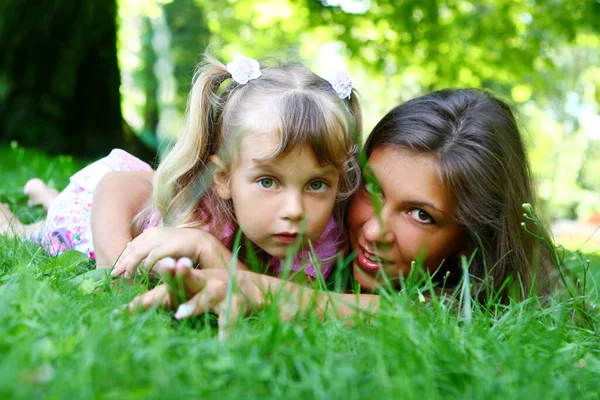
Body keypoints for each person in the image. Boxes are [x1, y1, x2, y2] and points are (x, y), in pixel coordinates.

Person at [127, 88, 559, 323]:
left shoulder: (461, 303)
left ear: (470, 240)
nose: (374, 231)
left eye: (421, 214)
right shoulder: (316, 213)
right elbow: (124, 184)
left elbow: (350, 309)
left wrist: (223, 267)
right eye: (372, 190)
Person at [0, 53, 362, 283]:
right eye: (268, 181)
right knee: (47, 232)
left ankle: (44, 192)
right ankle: (25, 217)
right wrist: (115, 267)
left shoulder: (324, 238)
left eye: (317, 185)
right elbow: (114, 188)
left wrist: (214, 256)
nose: (294, 211)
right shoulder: (199, 209)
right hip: (101, 214)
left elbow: (275, 297)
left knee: (52, 204)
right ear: (223, 178)